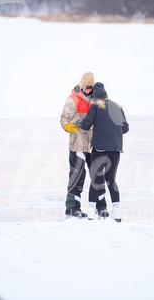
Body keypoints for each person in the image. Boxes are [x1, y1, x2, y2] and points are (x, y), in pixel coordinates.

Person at [75, 82, 129, 221]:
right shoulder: (118, 107)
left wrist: (77, 122)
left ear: (95, 97)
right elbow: (125, 129)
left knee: (96, 180)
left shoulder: (95, 107)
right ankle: (116, 212)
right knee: (111, 180)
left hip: (99, 150)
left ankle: (91, 212)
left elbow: (86, 125)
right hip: (116, 150)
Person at [60, 72, 95, 218]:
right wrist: (69, 126)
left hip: (93, 145)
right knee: (77, 176)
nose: (87, 90)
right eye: (85, 87)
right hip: (77, 145)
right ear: (81, 86)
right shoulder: (72, 99)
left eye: (90, 87)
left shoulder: (97, 99)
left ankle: (99, 207)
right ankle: (73, 208)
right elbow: (63, 118)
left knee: (97, 176)